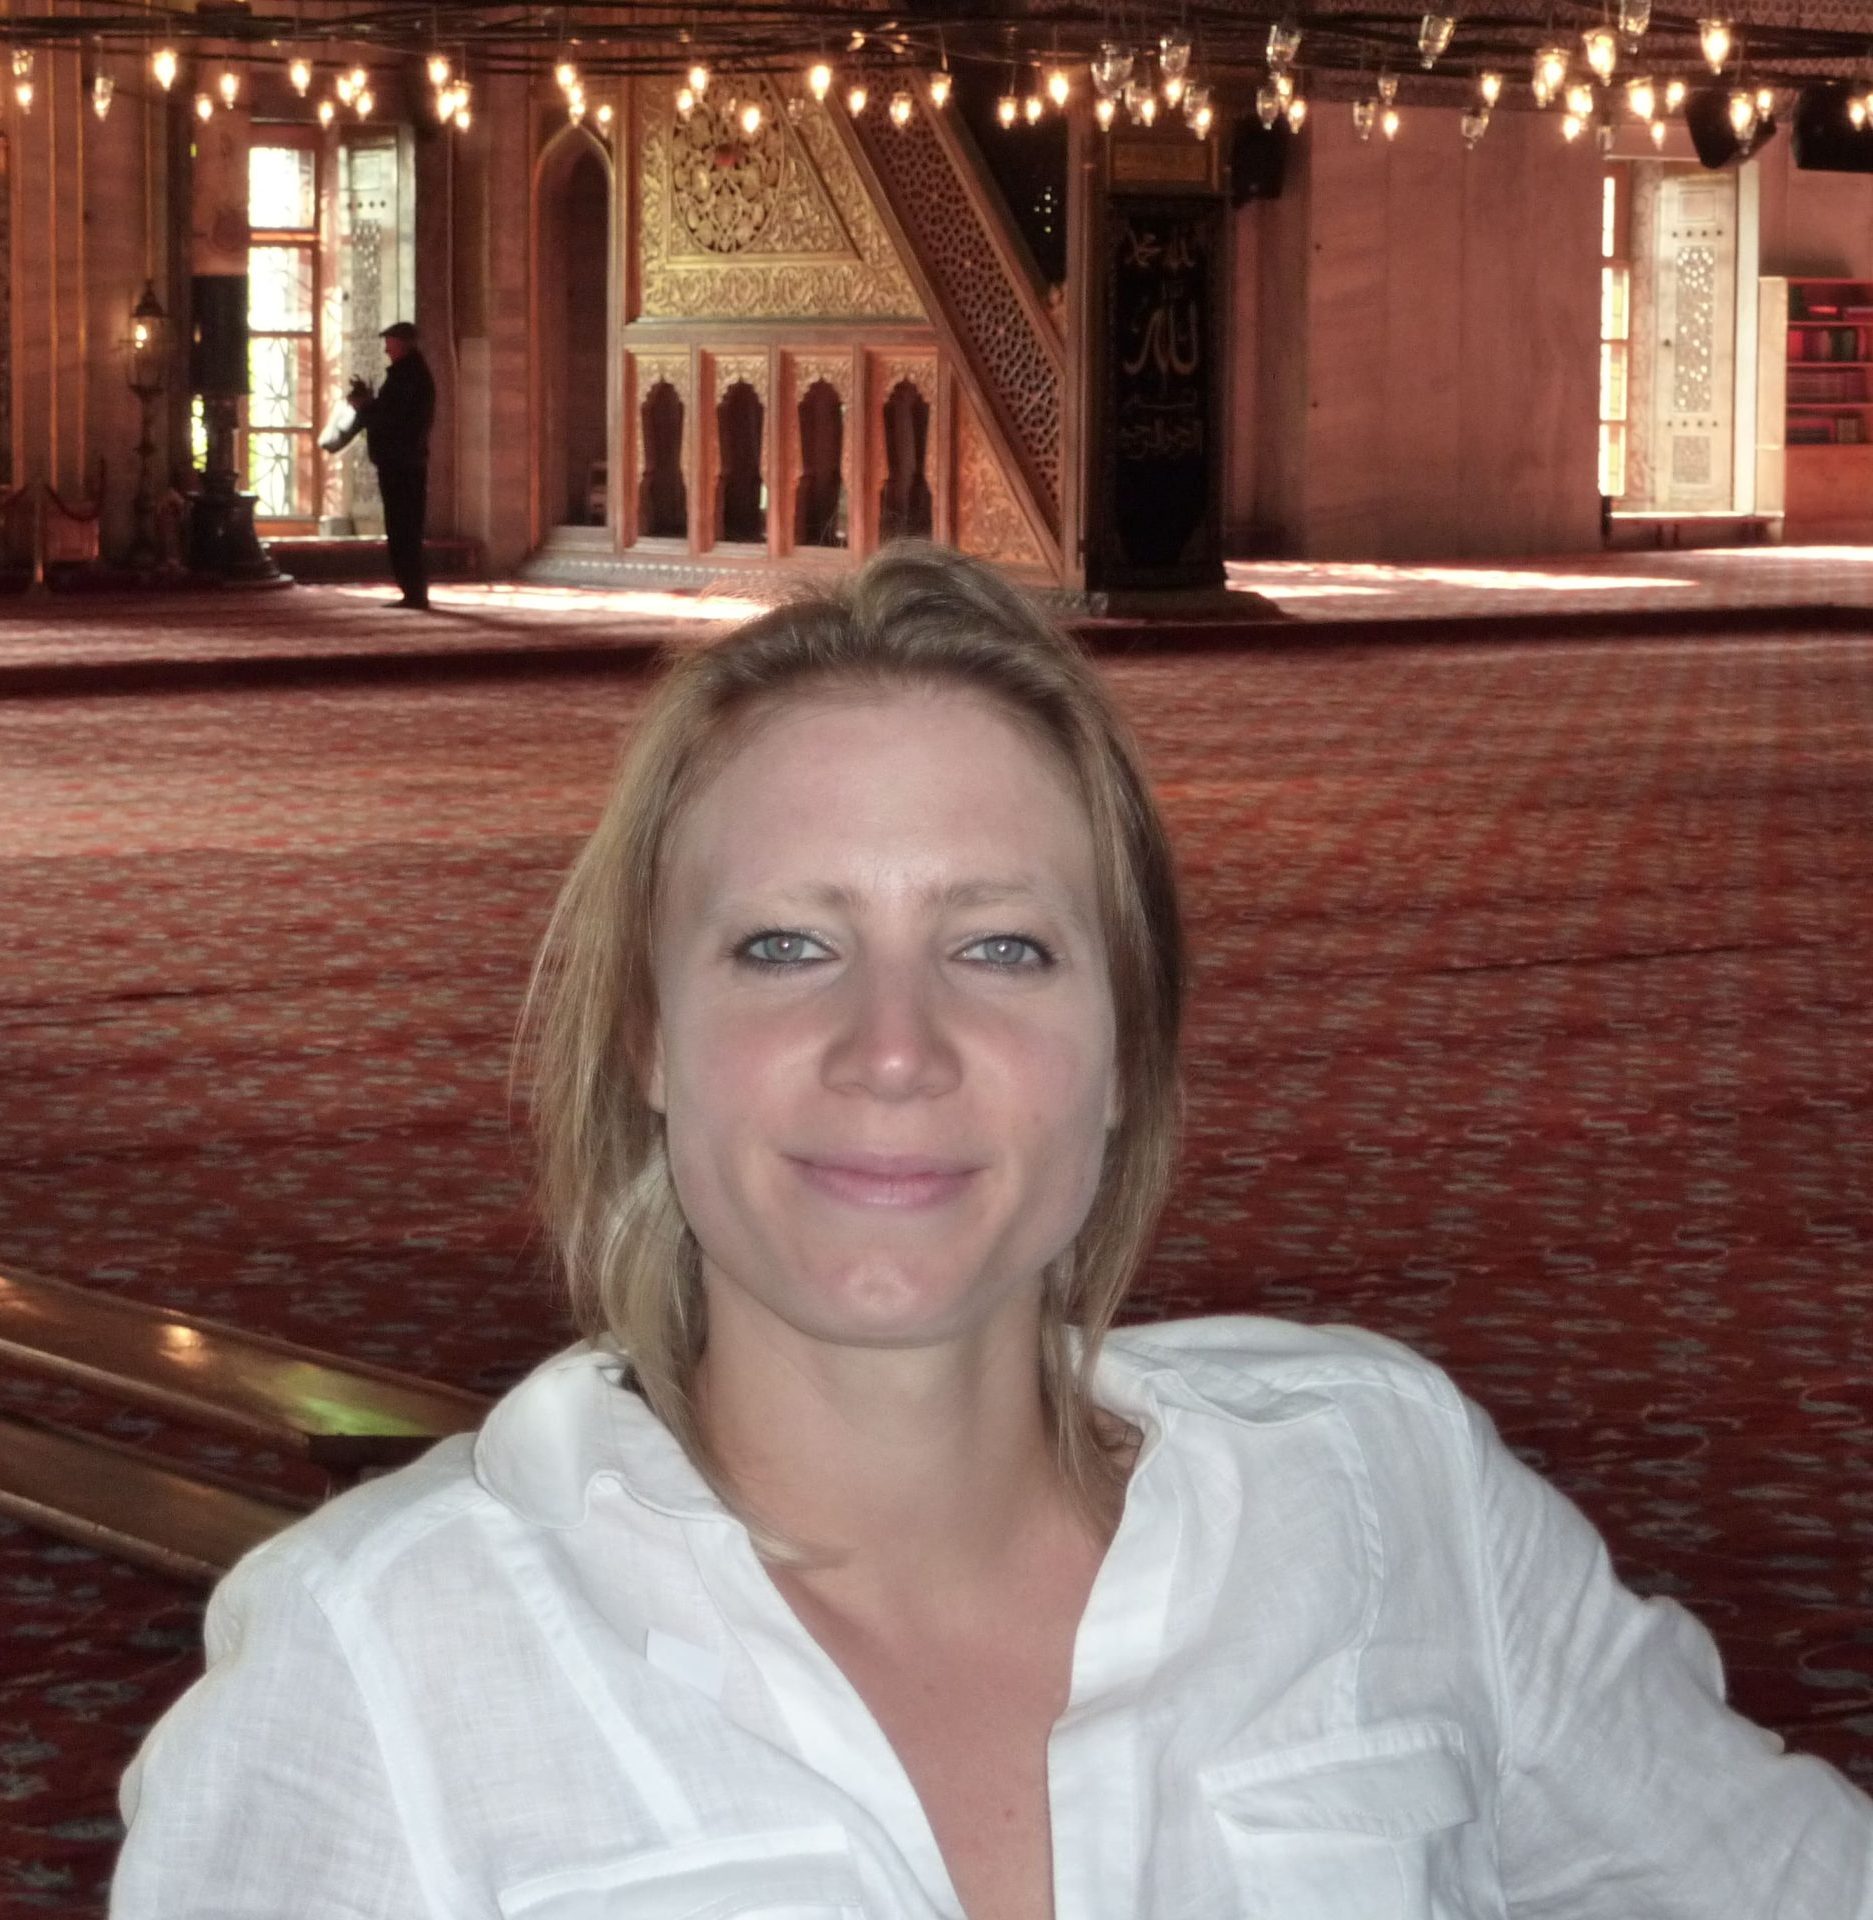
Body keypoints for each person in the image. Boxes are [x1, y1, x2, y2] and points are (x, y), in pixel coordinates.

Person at [111, 544, 1873, 1918]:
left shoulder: (1383, 1497)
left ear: (1124, 1051)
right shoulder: (387, 1663)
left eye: (1001, 946)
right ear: (647, 1036)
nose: (894, 1047)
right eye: (785, 945)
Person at [347, 321, 436, 611]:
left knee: (403, 528)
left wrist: (365, 407)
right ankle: (412, 591)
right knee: (404, 527)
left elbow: (393, 419)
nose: (387, 349)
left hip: (402, 463)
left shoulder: (408, 377)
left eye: (390, 343)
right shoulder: (409, 375)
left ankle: (414, 592)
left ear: (403, 344)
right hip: (403, 461)